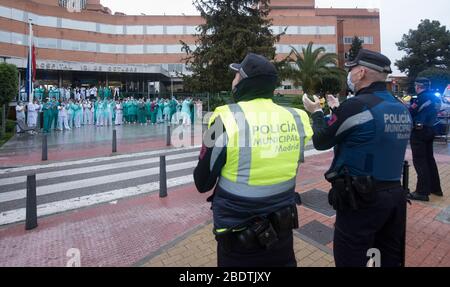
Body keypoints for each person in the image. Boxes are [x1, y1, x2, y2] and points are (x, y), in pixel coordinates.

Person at [194, 53, 313, 267]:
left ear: (244, 83)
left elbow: (202, 182)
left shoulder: (226, 118)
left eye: (236, 76)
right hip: (282, 233)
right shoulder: (297, 118)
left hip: (240, 238)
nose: (233, 81)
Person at [302, 49, 413, 267]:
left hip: (362, 201)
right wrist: (337, 109)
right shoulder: (400, 107)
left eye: (351, 69)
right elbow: (370, 134)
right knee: (386, 258)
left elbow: (322, 141)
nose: (349, 74)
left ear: (361, 72)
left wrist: (316, 112)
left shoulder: (356, 106)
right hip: (394, 197)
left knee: (352, 258)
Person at [407, 77, 443, 201]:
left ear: (418, 86)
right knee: (429, 160)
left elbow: (411, 112)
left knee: (420, 161)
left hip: (419, 131)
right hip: (431, 129)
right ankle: (435, 188)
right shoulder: (435, 97)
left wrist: (408, 107)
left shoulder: (420, 98)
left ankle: (422, 192)